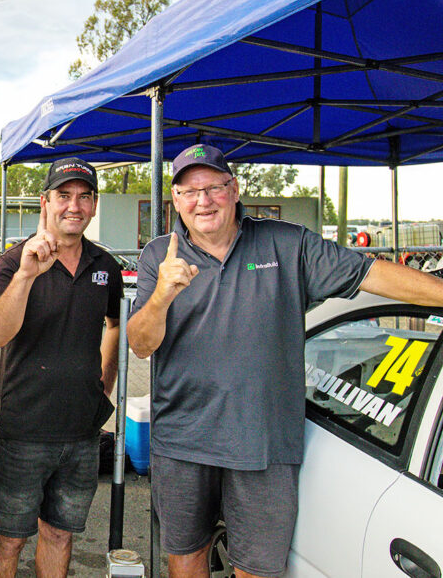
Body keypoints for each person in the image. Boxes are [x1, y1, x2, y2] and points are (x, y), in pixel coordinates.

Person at [126, 143, 443, 578]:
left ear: (234, 190)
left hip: (265, 443)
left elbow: (372, 274)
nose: (204, 201)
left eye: (215, 187)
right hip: (184, 440)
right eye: (190, 191)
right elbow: (141, 344)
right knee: (186, 559)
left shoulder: (287, 244)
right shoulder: (158, 257)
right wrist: (162, 294)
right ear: (176, 200)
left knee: (258, 568)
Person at [0, 158, 123, 578]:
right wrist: (27, 275)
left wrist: (105, 383)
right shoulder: (14, 262)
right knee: (9, 538)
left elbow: (117, 325)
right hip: (24, 430)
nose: (73, 206)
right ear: (45, 202)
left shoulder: (105, 266)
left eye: (84, 197)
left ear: (95, 205)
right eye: (63, 196)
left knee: (61, 535)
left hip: (82, 433)